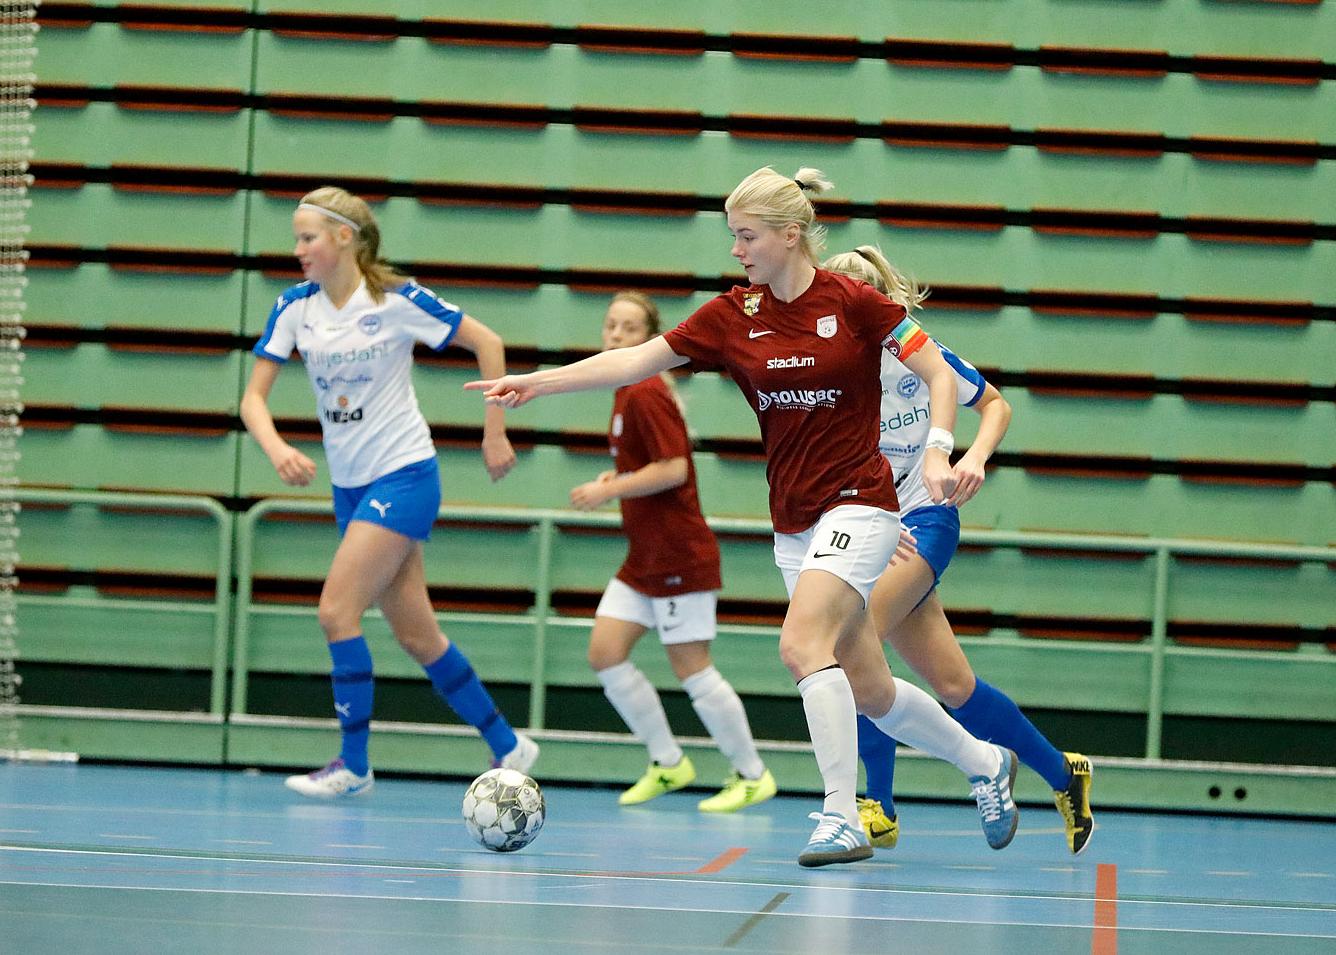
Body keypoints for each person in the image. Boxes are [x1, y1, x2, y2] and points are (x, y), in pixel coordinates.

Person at [469, 166, 1019, 867]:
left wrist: (940, 450)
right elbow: (636, 359)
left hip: (863, 504)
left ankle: (841, 815)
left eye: (747, 235)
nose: (737, 250)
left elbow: (941, 373)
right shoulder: (734, 316)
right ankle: (983, 762)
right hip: (794, 521)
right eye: (734, 236)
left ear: (791, 236)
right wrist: (536, 383)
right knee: (870, 688)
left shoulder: (854, 304)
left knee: (799, 646)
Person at [240, 186, 540, 799]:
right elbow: (252, 399)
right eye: (295, 238)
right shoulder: (295, 309)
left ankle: (353, 765)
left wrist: (494, 431)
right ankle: (510, 743)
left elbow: (487, 342)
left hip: (403, 475)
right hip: (349, 487)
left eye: (307, 238)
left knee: (335, 611)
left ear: (344, 237)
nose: (297, 250)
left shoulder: (397, 301)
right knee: (417, 634)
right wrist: (277, 449)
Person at [822, 246, 1096, 856]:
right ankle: (1062, 773)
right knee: (954, 684)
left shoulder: (916, 353)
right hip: (872, 527)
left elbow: (995, 404)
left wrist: (969, 455)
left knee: (850, 643)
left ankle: (877, 807)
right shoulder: (823, 373)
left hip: (926, 522)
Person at [571, 291, 776, 813]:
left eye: (629, 328)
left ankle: (753, 774)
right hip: (645, 559)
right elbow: (648, 468)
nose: (615, 335)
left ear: (649, 338)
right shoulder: (622, 388)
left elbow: (674, 470)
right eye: (610, 324)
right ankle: (668, 763)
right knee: (605, 653)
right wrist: (618, 478)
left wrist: (608, 490)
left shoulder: (645, 390)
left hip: (679, 556)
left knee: (692, 668)